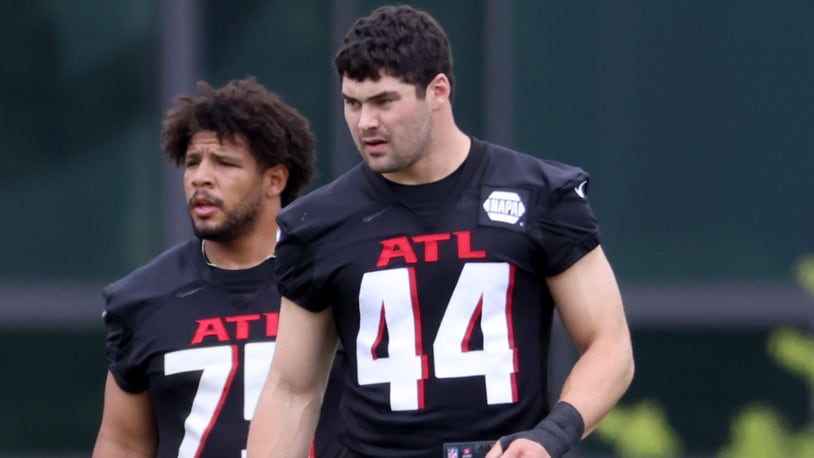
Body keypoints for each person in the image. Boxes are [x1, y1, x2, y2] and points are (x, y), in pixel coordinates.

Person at [248, 5, 635, 458]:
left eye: (384, 101)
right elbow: (292, 390)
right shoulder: (317, 223)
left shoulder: (540, 194)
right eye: (352, 103)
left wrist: (551, 436)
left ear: (438, 90)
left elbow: (610, 344)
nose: (365, 122)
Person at [92, 77, 342, 458]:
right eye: (192, 162)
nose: (200, 178)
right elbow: (123, 444)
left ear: (275, 179)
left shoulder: (333, 280)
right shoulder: (142, 298)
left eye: (224, 163)